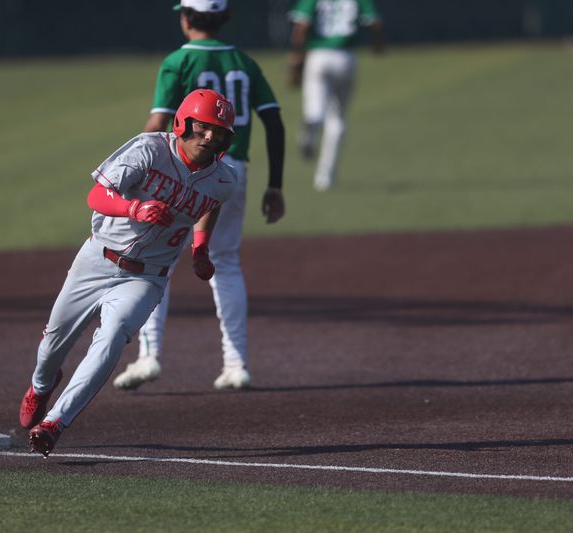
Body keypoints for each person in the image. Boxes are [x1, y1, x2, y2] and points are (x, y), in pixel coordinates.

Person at [19, 89, 239, 457]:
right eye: (203, 127)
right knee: (51, 348)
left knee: (113, 338)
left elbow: (210, 204)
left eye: (219, 132)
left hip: (148, 277)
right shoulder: (149, 149)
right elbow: (97, 196)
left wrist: (200, 248)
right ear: (183, 123)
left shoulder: (225, 179)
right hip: (97, 259)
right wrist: (135, 208)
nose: (210, 137)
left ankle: (55, 422)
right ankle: (41, 386)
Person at [111, 0, 286, 392]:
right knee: (225, 261)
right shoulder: (243, 60)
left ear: (186, 18)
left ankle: (149, 356)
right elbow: (272, 119)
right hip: (232, 173)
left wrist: (136, 166)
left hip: (182, 171)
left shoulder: (178, 60)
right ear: (223, 18)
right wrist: (275, 184)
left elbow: (158, 121)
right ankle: (236, 362)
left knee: (155, 260)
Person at [287, 0, 384, 192]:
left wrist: (297, 53)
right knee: (338, 118)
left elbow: (301, 25)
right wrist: (377, 44)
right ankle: (325, 177)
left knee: (315, 109)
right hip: (345, 57)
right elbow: (375, 23)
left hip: (318, 55)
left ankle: (311, 125)